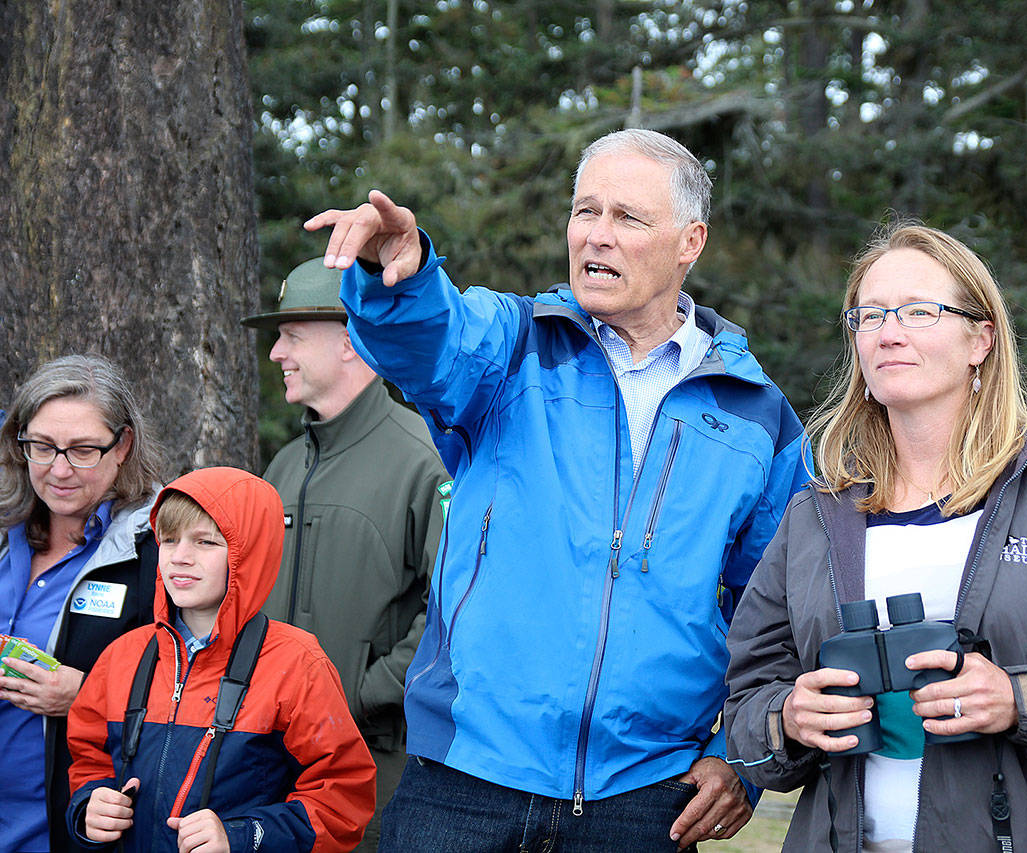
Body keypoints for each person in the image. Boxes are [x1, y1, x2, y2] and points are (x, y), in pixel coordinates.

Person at [304, 128, 810, 850]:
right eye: (585, 211)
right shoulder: (512, 345)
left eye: (627, 217)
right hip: (462, 784)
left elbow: (784, 612)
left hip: (645, 799)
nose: (596, 236)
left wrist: (741, 760)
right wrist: (404, 275)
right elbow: (429, 339)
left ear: (690, 241)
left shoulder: (758, 415)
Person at [722, 222, 1027, 851]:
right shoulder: (816, 518)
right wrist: (789, 717)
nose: (889, 331)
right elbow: (745, 705)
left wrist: (1021, 699)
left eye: (919, 312)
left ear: (980, 339)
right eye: (868, 315)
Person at [241, 257, 450, 850]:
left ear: (353, 341)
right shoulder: (284, 466)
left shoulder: (425, 458)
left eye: (292, 337)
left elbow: (459, 606)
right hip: (271, 771)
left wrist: (365, 691)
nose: (277, 353)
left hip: (378, 775)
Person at [65, 466, 376, 852]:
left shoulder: (297, 664)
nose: (180, 557)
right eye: (170, 539)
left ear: (250, 553)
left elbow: (341, 798)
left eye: (205, 542)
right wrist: (88, 806)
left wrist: (244, 837)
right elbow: (87, 759)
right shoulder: (122, 657)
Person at [0, 354, 163, 852]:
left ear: (123, 446)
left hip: (72, 828)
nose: (59, 470)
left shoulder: (159, 550)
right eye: (43, 447)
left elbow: (201, 689)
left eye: (83, 450)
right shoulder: (6, 536)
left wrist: (89, 699)